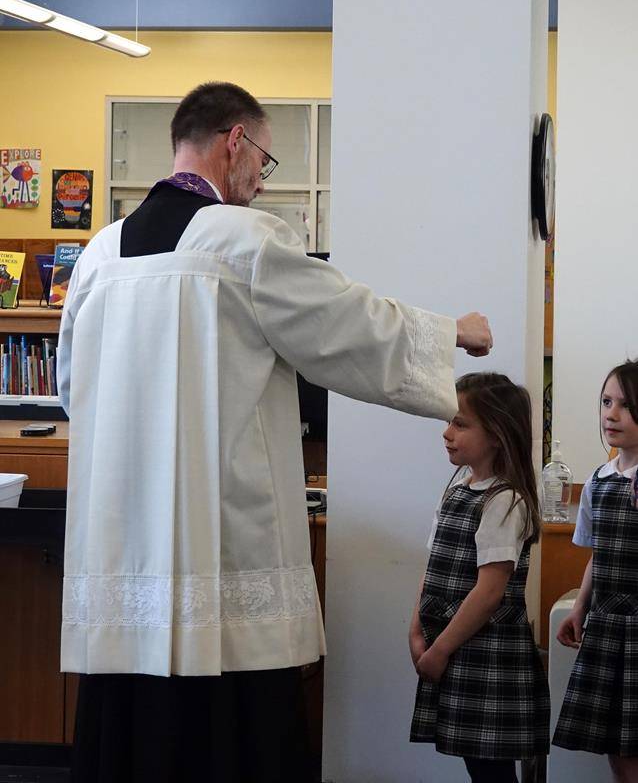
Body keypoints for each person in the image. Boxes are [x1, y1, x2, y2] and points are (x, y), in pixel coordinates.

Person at [57, 81, 493, 783]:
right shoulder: (243, 240)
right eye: (264, 160)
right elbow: (348, 322)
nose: (261, 180)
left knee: (131, 738)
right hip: (221, 543)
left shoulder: (98, 258)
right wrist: (452, 334)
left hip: (124, 553)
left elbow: (75, 391)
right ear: (236, 143)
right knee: (230, 738)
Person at [409, 372, 550, 783]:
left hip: (484, 648)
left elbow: (489, 592)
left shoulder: (505, 500)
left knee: (492, 767)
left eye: (460, 423)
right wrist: (417, 628)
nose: (447, 432)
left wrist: (440, 649)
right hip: (451, 643)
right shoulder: (456, 491)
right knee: (477, 760)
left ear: (497, 434)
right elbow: (432, 564)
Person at [553, 360, 638, 783]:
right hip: (607, 623)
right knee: (618, 745)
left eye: (626, 404)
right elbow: (598, 553)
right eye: (606, 402)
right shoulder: (598, 481)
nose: (611, 413)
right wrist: (579, 607)